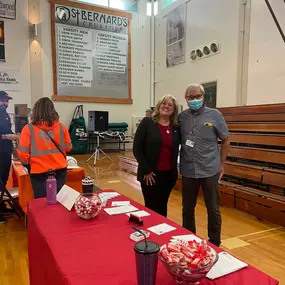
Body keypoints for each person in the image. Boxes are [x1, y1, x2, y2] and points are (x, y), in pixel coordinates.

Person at [179, 83, 230, 246]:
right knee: (187, 208)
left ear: (203, 97)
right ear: (186, 99)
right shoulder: (181, 117)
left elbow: (226, 140)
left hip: (210, 169)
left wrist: (222, 164)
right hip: (188, 170)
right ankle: (189, 239)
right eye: (191, 97)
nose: (194, 100)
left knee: (213, 209)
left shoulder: (215, 115)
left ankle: (215, 242)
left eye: (197, 96)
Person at [133, 95, 180, 217]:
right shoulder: (147, 122)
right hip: (150, 174)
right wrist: (146, 171)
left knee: (162, 206)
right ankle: (148, 234)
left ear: (173, 110)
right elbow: (137, 148)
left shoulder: (175, 127)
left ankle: (161, 234)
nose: (166, 106)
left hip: (169, 175)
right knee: (151, 208)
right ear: (159, 105)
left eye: (170, 105)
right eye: (164, 103)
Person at [17, 97, 72, 198]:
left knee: (42, 203)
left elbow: (22, 154)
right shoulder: (61, 127)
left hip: (38, 172)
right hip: (60, 170)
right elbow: (68, 148)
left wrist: (29, 164)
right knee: (60, 200)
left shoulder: (28, 129)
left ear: (36, 110)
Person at [0, 91, 18, 224]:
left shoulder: (5, 115)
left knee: (3, 181)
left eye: (6, 101)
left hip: (6, 152)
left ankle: (1, 206)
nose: (5, 103)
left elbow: (8, 131)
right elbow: (4, 135)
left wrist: (16, 135)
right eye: (3, 101)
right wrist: (7, 137)